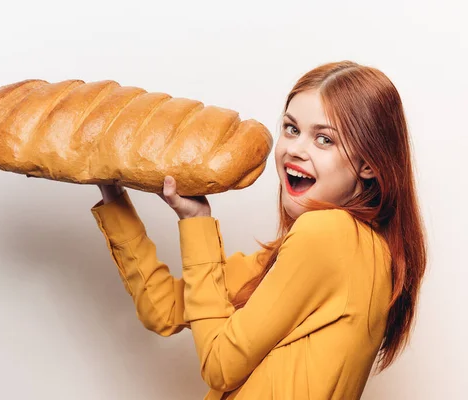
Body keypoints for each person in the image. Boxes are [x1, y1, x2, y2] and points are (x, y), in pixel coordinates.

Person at [90, 60, 427, 400]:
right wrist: (113, 192)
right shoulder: (331, 250)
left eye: (324, 139)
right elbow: (161, 308)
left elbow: (219, 365)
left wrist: (195, 222)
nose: (295, 149)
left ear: (369, 164)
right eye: (291, 129)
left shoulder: (328, 233)